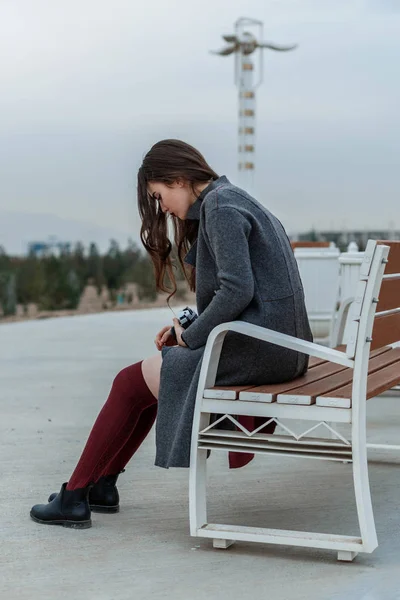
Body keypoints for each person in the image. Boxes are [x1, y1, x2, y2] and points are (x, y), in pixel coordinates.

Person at [30, 139, 313, 529]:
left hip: (266, 350)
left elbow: (236, 290)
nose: (162, 208)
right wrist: (192, 327)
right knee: (146, 380)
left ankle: (76, 494)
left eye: (160, 196)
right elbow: (245, 293)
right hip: (281, 345)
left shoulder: (220, 207)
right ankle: (100, 485)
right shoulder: (232, 199)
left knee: (131, 380)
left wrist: (190, 338)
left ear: (179, 180)